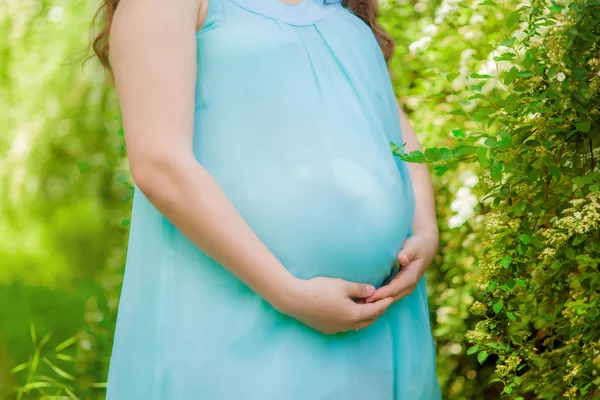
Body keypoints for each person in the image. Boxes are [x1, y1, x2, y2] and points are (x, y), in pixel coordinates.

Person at [93, 0, 442, 398]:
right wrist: (289, 294)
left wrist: (425, 228)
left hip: (384, 322)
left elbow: (393, 124)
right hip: (241, 316)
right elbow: (160, 164)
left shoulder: (336, 7)